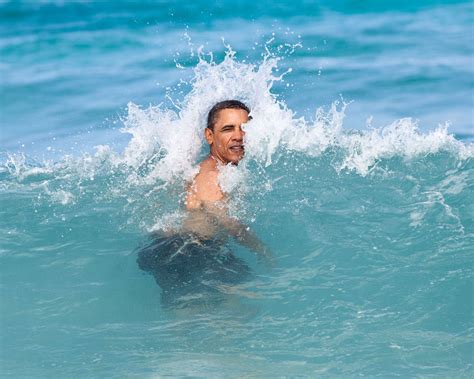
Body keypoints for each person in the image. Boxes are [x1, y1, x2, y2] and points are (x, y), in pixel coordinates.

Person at [137, 100, 274, 308]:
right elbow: (226, 222)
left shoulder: (212, 168)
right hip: (188, 251)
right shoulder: (211, 175)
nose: (239, 136)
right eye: (228, 129)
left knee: (194, 321)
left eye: (244, 128)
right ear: (210, 136)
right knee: (241, 305)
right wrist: (262, 250)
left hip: (178, 248)